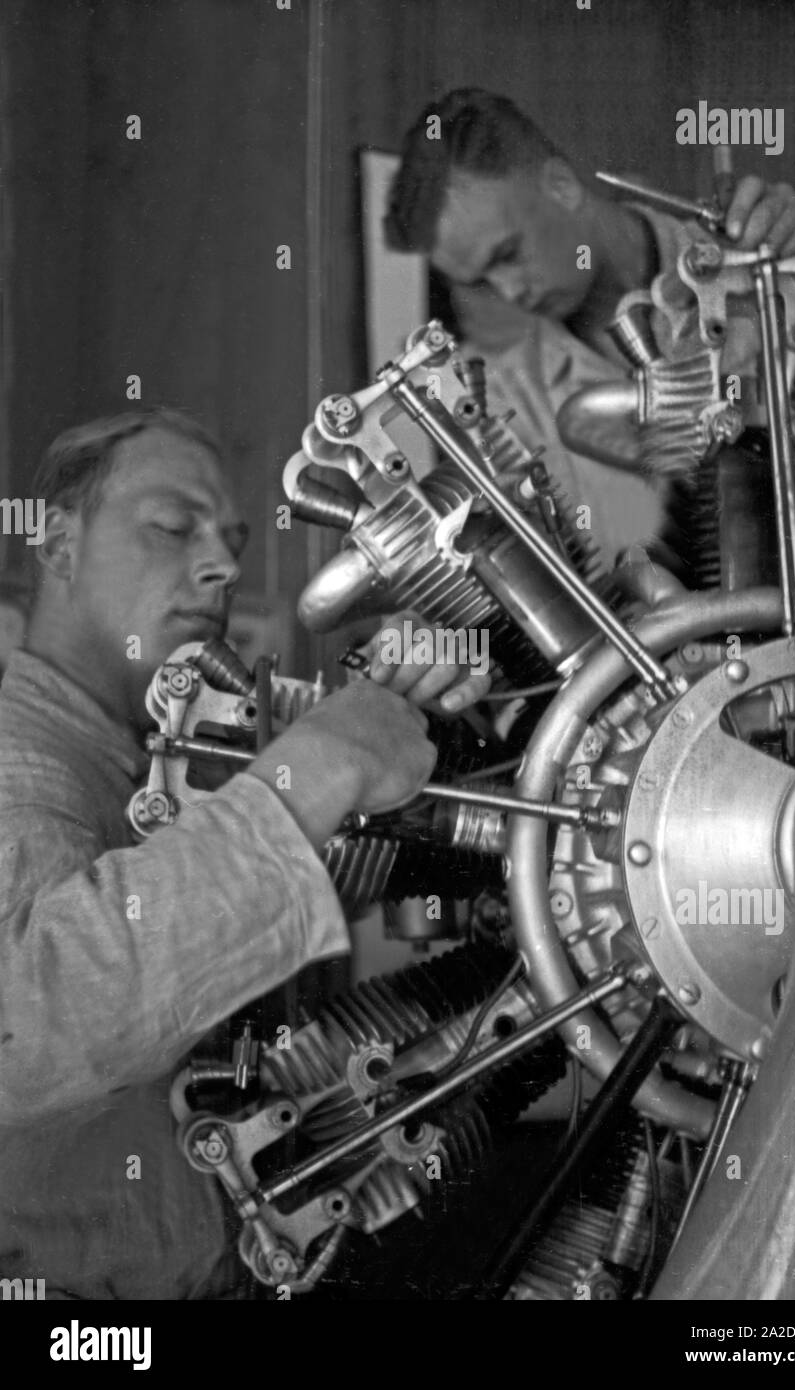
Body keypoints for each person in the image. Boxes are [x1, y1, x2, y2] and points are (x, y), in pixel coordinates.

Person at [0, 407, 487, 1299]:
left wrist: (415, 719)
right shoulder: (19, 758)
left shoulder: (148, 747)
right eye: (171, 528)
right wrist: (311, 774)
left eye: (228, 538)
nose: (222, 564)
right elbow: (27, 1017)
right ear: (59, 547)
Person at [385, 89, 795, 574]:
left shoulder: (754, 250)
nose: (509, 292)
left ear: (561, 186)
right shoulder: (506, 402)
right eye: (482, 283)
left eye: (507, 254)